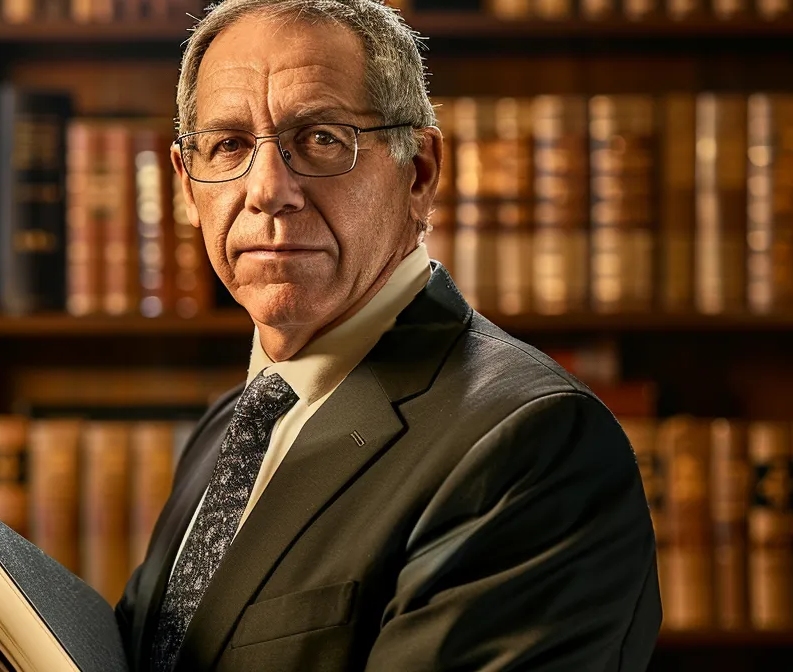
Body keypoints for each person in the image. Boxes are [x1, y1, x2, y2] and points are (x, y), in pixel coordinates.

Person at [113, 1, 661, 670]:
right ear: (186, 187)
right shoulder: (233, 424)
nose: (267, 190)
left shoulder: (534, 445)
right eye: (228, 144)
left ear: (419, 172)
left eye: (320, 138)